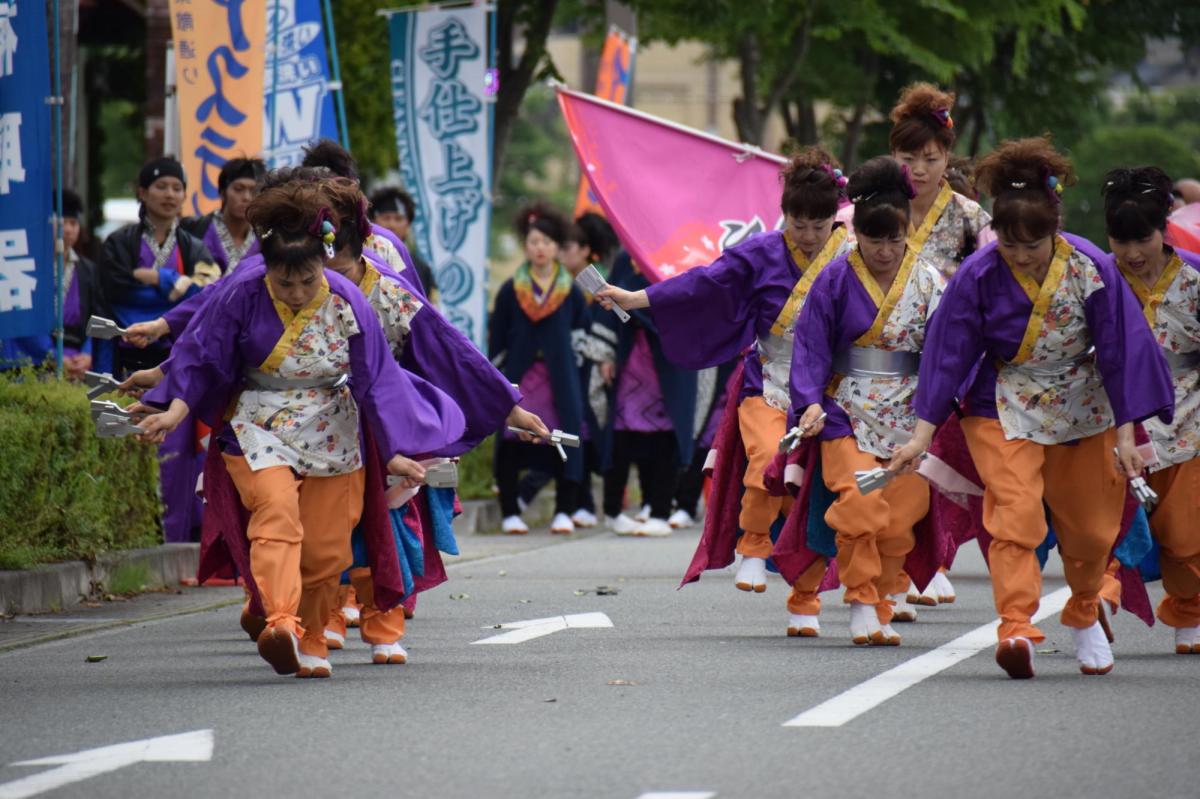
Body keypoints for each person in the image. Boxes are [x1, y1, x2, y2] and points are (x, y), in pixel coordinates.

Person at [133, 179, 466, 679]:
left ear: (324, 262)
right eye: (284, 283)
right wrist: (175, 410)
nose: (295, 292)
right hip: (258, 421)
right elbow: (204, 354)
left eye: (308, 281)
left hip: (333, 422)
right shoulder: (243, 292)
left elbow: (376, 380)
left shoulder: (349, 300)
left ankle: (310, 636)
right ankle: (282, 623)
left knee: (327, 548)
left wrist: (395, 450)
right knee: (276, 512)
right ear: (266, 267)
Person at [892, 138, 1175, 678]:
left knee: (1093, 531)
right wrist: (922, 433)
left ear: (1055, 224)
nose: (1021, 256)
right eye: (1010, 244)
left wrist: (1126, 432)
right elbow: (948, 353)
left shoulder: (1091, 266)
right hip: (1002, 402)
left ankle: (1086, 607)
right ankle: (1016, 625)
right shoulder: (979, 273)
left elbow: (1120, 351)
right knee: (1015, 515)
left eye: (1034, 244)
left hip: (1083, 402)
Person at [596, 147, 854, 636]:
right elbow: (703, 283)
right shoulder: (760, 252)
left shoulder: (852, 257)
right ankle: (753, 545)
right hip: (770, 381)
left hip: (832, 390)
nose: (808, 235)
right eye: (799, 224)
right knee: (765, 461)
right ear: (785, 215)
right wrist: (637, 297)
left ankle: (805, 600)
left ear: (835, 219)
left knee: (817, 496)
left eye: (819, 226)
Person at [315, 174, 548, 663]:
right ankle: (326, 617)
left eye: (334, 253)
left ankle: (385, 625)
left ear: (359, 246)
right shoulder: (295, 285)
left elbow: (450, 349)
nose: (324, 266)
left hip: (385, 422)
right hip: (315, 421)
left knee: (389, 520)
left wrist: (510, 406)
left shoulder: (390, 289)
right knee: (325, 522)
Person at [787, 156, 944, 646]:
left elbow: (946, 355)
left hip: (910, 415)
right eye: (874, 239)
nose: (884, 250)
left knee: (900, 518)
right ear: (858, 234)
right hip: (845, 411)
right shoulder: (833, 278)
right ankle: (859, 599)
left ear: (907, 231)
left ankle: (881, 597)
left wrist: (938, 415)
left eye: (894, 239)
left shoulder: (932, 282)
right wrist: (809, 401)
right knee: (858, 504)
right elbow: (810, 345)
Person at [1098, 166, 1200, 654]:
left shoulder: (1196, 278)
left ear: (1166, 227)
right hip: (1112, 416)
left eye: (1144, 239)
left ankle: (1189, 610)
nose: (1133, 254)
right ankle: (1096, 597)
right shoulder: (1095, 279)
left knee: (1183, 533)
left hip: (1188, 418)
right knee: (1103, 524)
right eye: (1121, 240)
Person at [98, 156, 218, 544]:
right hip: (126, 355)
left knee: (177, 455)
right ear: (142, 192)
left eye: (177, 187)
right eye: (162, 186)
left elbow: (208, 295)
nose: (170, 194)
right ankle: (126, 539)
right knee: (125, 445)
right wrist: (176, 292)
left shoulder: (194, 245)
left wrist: (158, 278)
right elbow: (116, 291)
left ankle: (176, 541)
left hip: (175, 360)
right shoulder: (119, 242)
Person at [490, 204, 590, 534]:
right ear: (525, 246)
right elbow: (499, 336)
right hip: (521, 377)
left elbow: (582, 336)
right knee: (511, 438)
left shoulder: (571, 291)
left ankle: (565, 508)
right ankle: (509, 512)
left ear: (557, 247)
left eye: (547, 242)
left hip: (559, 378)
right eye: (534, 241)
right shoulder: (510, 290)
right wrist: (498, 375)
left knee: (563, 437)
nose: (540, 248)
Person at [595, 252, 697, 537]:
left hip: (670, 355)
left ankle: (660, 510)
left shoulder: (682, 251)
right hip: (630, 357)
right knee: (619, 433)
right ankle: (613, 510)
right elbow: (607, 304)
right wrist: (604, 354)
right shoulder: (624, 255)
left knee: (668, 434)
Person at [181, 157, 265, 272]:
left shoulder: (265, 238)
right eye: (238, 189)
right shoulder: (194, 229)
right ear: (222, 192)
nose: (246, 197)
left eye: (254, 191)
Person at [368, 186, 438, 302]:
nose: (392, 225)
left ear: (408, 226)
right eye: (386, 218)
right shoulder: (361, 260)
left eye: (398, 219)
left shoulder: (422, 269)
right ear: (372, 221)